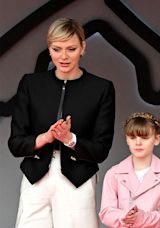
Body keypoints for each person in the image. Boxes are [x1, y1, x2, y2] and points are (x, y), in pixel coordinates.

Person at [8, 18, 115, 228]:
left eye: (71, 49)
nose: (63, 56)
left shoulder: (101, 88)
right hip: (35, 176)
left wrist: (70, 139)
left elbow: (101, 149)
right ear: (49, 49)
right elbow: (15, 143)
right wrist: (45, 137)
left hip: (79, 179)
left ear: (83, 47)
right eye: (57, 49)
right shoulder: (31, 84)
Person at [99, 112, 160, 228]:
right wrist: (124, 217)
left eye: (145, 137)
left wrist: (142, 218)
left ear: (156, 139)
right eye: (132, 137)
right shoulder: (113, 174)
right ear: (126, 139)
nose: (138, 143)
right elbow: (106, 212)